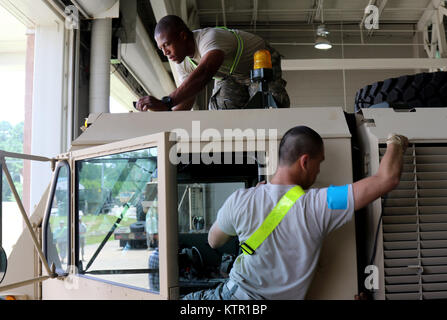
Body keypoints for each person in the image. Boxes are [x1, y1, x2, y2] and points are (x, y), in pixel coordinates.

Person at [182, 126, 408, 300]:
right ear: (305, 161)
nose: (318, 171)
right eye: (319, 164)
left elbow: (213, 241)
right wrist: (396, 142)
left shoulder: (241, 200)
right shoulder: (321, 203)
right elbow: (386, 179)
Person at [135, 15, 290, 112]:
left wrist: (166, 102)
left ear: (182, 36)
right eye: (161, 48)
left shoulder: (209, 39)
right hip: (231, 77)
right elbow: (187, 98)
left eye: (167, 44)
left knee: (269, 107)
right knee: (220, 111)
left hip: (258, 67)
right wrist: (163, 116)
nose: (165, 53)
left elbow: (204, 73)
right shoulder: (182, 63)